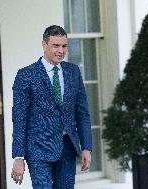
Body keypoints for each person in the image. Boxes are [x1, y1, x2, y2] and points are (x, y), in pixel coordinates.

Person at [11, 25, 92, 189]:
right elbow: (19, 118)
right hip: (38, 149)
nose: (60, 51)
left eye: (64, 46)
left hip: (67, 148)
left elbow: (82, 113)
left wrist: (87, 147)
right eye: (56, 45)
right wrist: (18, 156)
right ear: (44, 45)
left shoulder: (73, 72)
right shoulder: (26, 75)